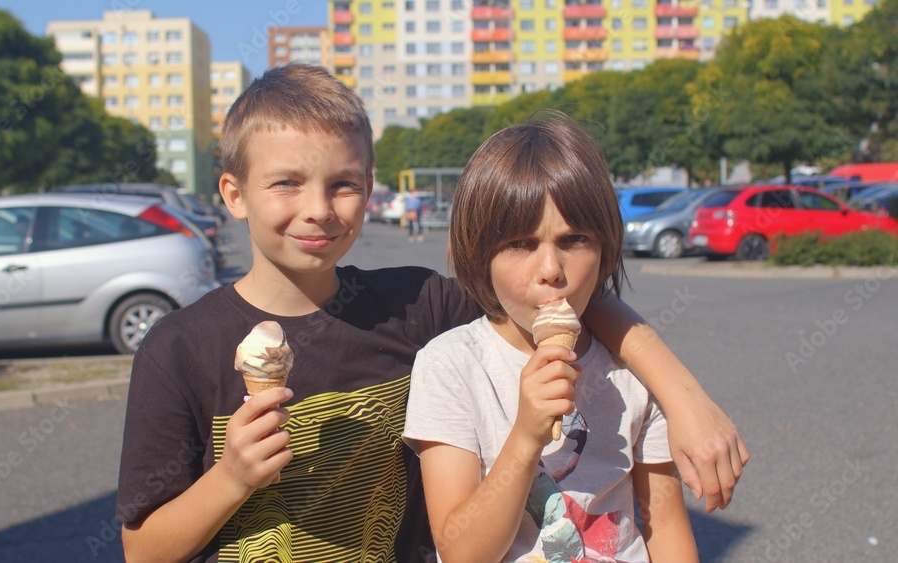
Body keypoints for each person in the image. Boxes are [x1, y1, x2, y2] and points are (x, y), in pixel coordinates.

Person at [116, 63, 745, 562]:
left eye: (344, 184)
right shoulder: (178, 350)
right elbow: (143, 551)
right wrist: (231, 478)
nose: (319, 209)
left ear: (368, 188)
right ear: (234, 194)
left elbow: (553, 295)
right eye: (285, 183)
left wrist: (682, 399)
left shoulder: (413, 303)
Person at [404, 112, 698, 561]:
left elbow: (667, 526)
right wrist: (525, 437)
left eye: (574, 239)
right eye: (520, 244)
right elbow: (461, 550)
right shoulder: (451, 365)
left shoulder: (633, 370)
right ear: (479, 254)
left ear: (605, 248)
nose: (550, 271)